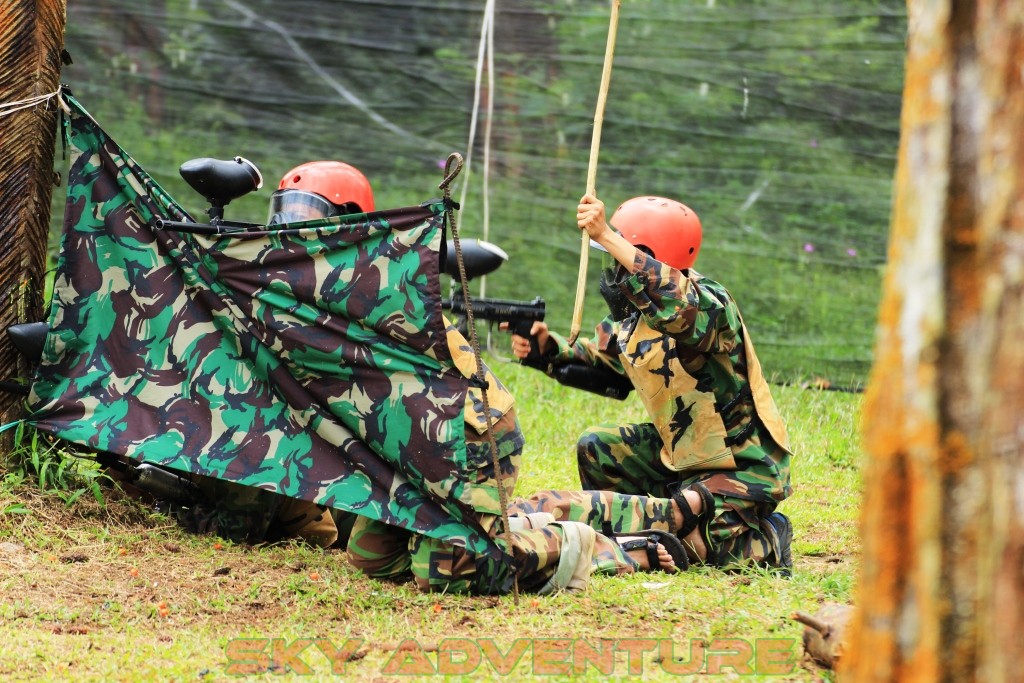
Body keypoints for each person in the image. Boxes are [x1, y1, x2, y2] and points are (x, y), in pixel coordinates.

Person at [509, 193, 794, 573]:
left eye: (621, 256)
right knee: (598, 447)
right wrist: (547, 348)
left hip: (742, 466)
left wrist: (609, 235)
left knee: (699, 547)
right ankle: (641, 533)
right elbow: (603, 363)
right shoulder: (634, 320)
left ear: (649, 256)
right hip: (681, 454)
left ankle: (769, 536)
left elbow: (679, 307)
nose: (613, 271)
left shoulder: (709, 304)